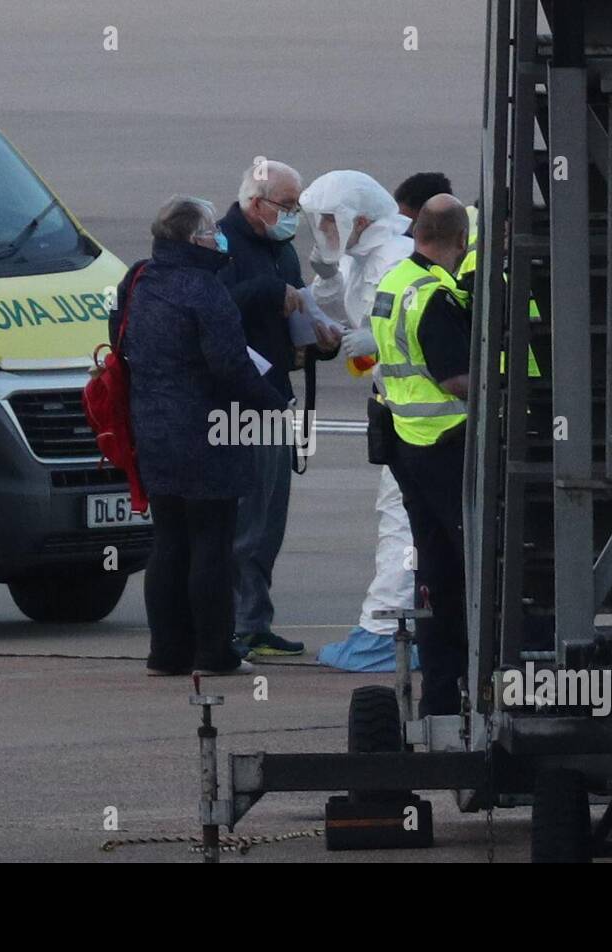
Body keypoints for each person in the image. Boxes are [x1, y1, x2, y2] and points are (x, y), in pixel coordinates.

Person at [116, 196, 287, 676]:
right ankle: (213, 651)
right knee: (212, 541)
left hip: (152, 428)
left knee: (168, 541)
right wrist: (275, 405)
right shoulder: (204, 290)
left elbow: (120, 342)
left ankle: (166, 652)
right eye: (212, 230)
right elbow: (229, 367)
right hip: (208, 430)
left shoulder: (138, 280)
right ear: (194, 239)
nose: (219, 236)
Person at [294, 171, 424, 673]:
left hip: (416, 414)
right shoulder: (362, 257)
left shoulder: (396, 258)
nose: (323, 228)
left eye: (330, 220)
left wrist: (379, 342)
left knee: (402, 522)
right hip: (396, 407)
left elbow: (420, 324)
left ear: (360, 219)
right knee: (398, 518)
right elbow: (331, 300)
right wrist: (326, 272)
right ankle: (393, 627)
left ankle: (388, 631)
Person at [218, 160, 341, 659]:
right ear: (255, 203)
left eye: (296, 207)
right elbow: (218, 305)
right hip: (237, 402)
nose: (292, 216)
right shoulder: (221, 244)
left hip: (275, 398)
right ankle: (235, 623)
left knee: (269, 521)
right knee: (245, 521)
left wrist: (321, 339)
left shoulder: (280, 248)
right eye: (286, 206)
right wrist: (274, 293)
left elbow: (293, 314)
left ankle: (255, 620)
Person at [369, 194, 474, 715]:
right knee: (473, 572)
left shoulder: (393, 282)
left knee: (435, 575)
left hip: (406, 445)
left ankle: (438, 697)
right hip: (445, 447)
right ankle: (467, 686)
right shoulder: (434, 295)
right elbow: (455, 379)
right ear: (461, 241)